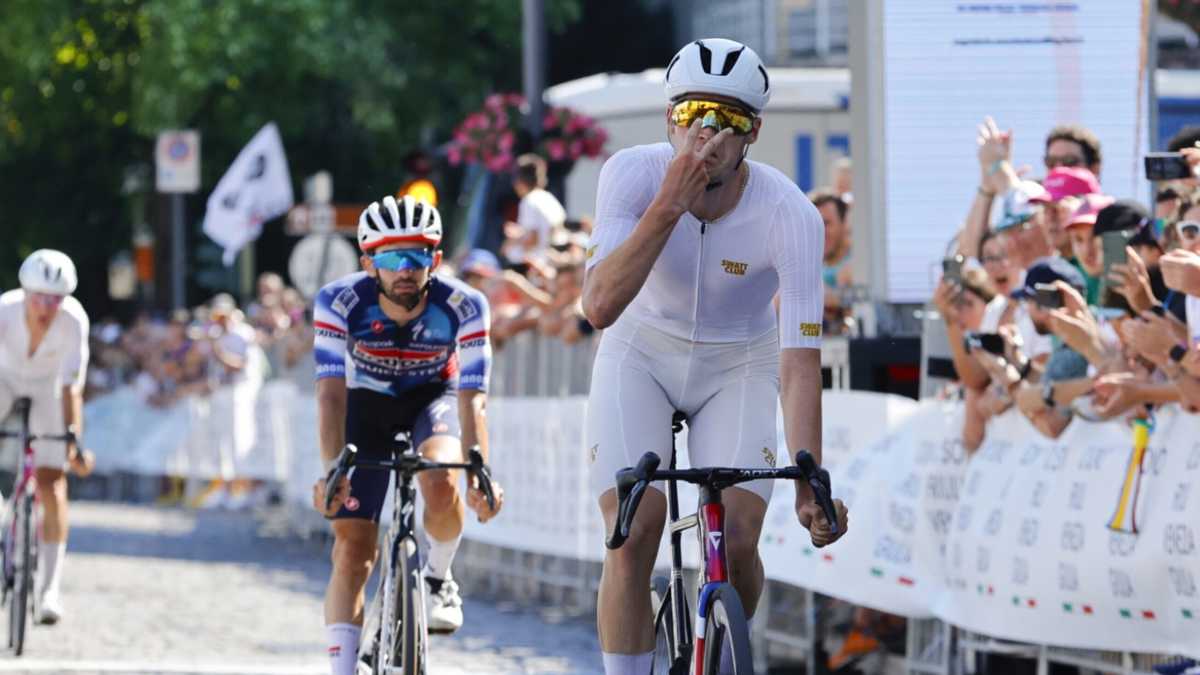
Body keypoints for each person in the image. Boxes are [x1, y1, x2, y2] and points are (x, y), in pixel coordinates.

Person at [581, 38, 848, 675]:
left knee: (740, 535)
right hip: (640, 352)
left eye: (727, 118)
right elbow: (599, 306)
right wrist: (668, 204)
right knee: (633, 532)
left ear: (753, 131)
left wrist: (809, 478)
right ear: (668, 120)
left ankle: (726, 649)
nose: (707, 133)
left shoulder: (790, 213)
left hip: (739, 362)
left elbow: (799, 361)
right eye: (692, 112)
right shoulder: (632, 175)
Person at [309, 195, 504, 675]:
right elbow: (330, 396)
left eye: (417, 257)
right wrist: (332, 472)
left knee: (441, 478)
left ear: (435, 260)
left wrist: (479, 471)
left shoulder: (464, 304)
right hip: (365, 405)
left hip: (433, 399)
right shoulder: (338, 301)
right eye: (392, 258)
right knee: (353, 549)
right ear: (367, 263)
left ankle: (437, 577)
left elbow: (473, 398)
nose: (406, 270)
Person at [0, 249, 96, 625]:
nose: (46, 307)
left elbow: (72, 387)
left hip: (47, 389)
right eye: (38, 298)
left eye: (55, 300)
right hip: (4, 379)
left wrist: (73, 439)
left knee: (52, 484)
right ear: (24, 293)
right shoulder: (4, 310)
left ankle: (50, 589)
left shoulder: (73, 320)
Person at [503, 153, 566, 267]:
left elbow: (532, 240)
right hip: (552, 261)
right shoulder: (549, 198)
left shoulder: (528, 202)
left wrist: (512, 241)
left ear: (519, 181)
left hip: (536, 265)